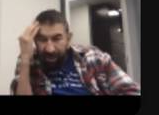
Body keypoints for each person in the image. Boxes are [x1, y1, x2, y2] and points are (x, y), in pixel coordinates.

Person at [11, 9, 140, 95]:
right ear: (34, 40)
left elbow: (131, 91)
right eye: (42, 40)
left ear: (68, 38)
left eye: (57, 38)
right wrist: (25, 58)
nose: (49, 49)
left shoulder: (94, 57)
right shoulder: (27, 60)